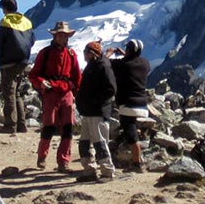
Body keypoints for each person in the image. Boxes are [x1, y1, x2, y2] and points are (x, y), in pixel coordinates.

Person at [28, 21, 82, 172]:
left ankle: (63, 162)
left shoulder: (71, 55)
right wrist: (41, 83)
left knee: (68, 128)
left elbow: (77, 78)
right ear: (55, 36)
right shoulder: (44, 53)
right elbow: (33, 75)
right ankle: (42, 156)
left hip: (66, 94)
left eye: (65, 35)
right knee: (48, 127)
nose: (62, 37)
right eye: (60, 35)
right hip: (51, 93)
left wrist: (76, 93)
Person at [75, 40, 117, 182]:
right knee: (84, 142)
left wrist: (94, 101)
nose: (84, 55)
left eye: (86, 52)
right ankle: (89, 170)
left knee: (100, 142)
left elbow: (111, 89)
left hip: (98, 111)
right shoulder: (93, 65)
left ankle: (107, 171)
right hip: (89, 111)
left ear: (91, 53)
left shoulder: (103, 67)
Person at [0, 0, 34, 134]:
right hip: (23, 61)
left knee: (9, 92)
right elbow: (32, 40)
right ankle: (22, 125)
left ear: (5, 8)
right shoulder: (26, 22)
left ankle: (10, 125)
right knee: (17, 93)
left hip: (8, 62)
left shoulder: (5, 21)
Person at [110, 39, 150, 173]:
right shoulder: (145, 63)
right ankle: (137, 159)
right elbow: (134, 61)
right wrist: (126, 55)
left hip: (128, 105)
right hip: (143, 105)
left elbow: (104, 63)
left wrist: (109, 53)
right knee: (131, 131)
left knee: (131, 135)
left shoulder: (122, 64)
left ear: (128, 51)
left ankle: (137, 164)